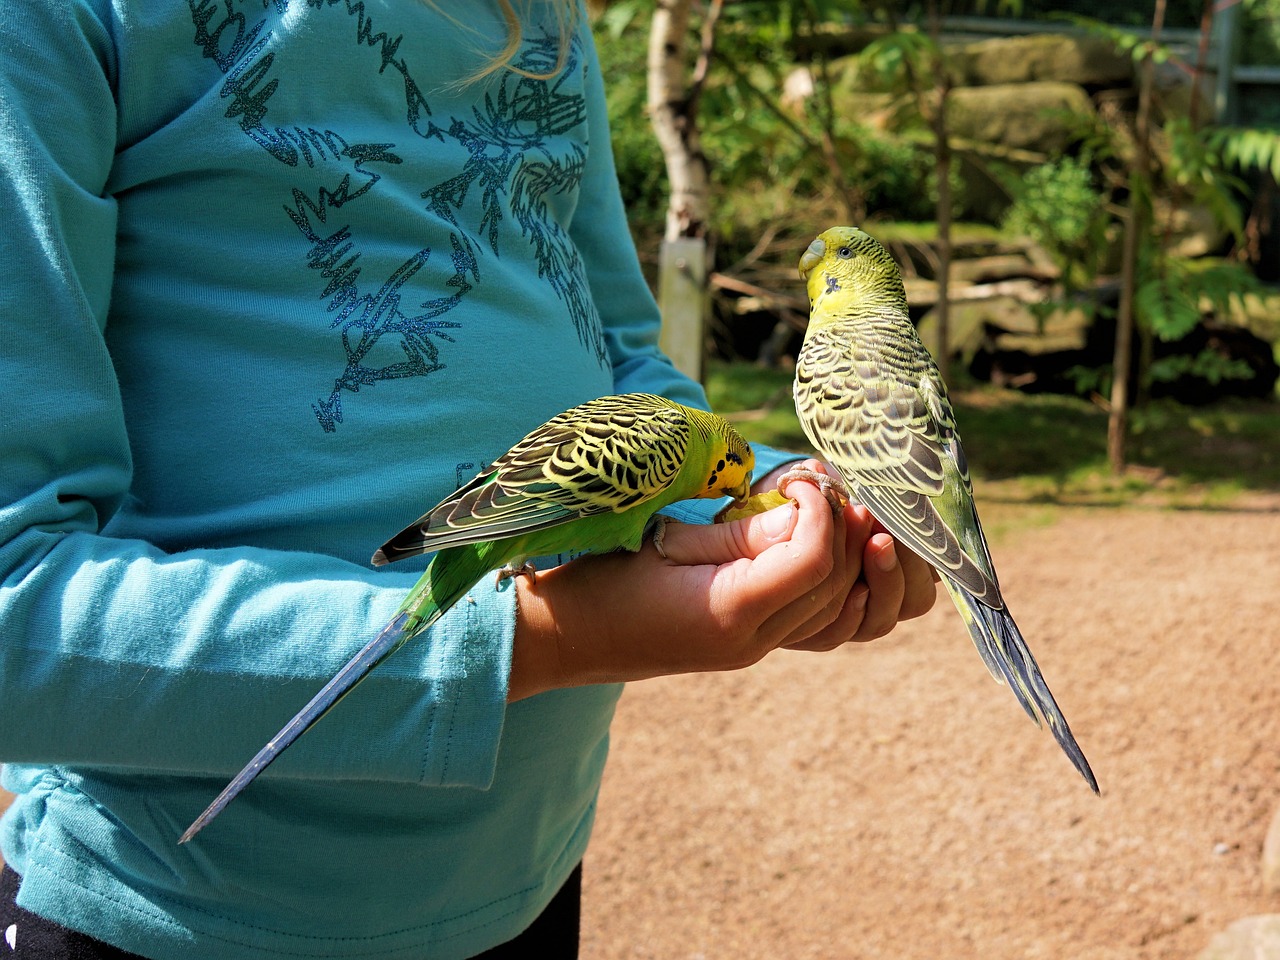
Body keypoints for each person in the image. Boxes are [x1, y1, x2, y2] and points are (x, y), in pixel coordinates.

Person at [0, 2, 937, 957]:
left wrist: (798, 496)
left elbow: (625, 365)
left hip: (528, 879)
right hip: (171, 916)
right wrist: (532, 645)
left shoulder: (540, 19)